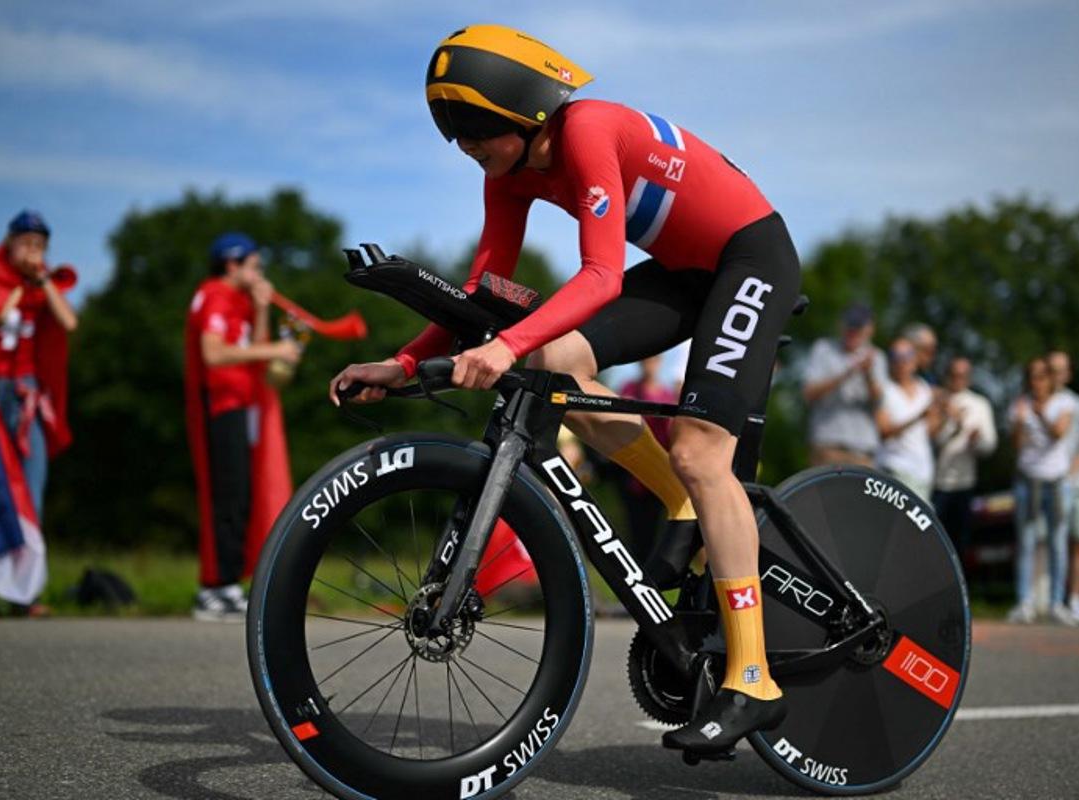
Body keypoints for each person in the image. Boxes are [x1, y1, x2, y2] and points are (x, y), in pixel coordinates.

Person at [330, 24, 800, 752]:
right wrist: (400, 363)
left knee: (704, 454)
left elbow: (603, 275)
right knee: (552, 363)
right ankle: (676, 498)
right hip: (683, 273)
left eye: (476, 126)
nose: (464, 145)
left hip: (749, 254)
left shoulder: (586, 131)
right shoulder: (507, 175)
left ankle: (753, 677)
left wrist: (506, 343)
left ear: (525, 109)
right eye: (452, 130)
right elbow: (483, 291)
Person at [184, 233, 300, 621]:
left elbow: (257, 346)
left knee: (243, 495)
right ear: (232, 265)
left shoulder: (239, 300)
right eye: (253, 265)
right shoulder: (214, 294)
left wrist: (262, 308)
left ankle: (230, 583)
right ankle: (214, 587)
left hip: (244, 405)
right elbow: (213, 353)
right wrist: (275, 351)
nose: (260, 272)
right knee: (228, 496)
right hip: (222, 406)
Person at [0, 210, 76, 615]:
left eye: (40, 246)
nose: (33, 252)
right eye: (26, 243)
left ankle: (24, 593)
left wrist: (43, 280)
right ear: (9, 242)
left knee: (32, 488)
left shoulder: (41, 286)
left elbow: (68, 321)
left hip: (26, 395)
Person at [1007, 356, 1073, 625]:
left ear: (1049, 379)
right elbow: (1016, 444)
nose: (1037, 382)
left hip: (1055, 480)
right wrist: (1021, 422)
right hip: (1027, 480)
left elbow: (1059, 432)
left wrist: (1039, 413)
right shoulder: (1018, 405)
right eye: (1032, 376)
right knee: (1026, 542)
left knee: (1058, 541)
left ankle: (1058, 603)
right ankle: (1025, 602)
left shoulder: (1064, 402)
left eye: (1042, 376)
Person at [802, 302, 886, 466]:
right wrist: (847, 373)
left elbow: (879, 402)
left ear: (870, 329)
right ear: (841, 324)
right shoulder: (823, 348)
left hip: (863, 451)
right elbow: (808, 393)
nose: (853, 331)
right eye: (850, 325)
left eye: (859, 327)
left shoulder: (878, 357)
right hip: (827, 447)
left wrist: (868, 374)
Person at [1048, 350, 1079, 624]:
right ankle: (1051, 601)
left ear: (1068, 373)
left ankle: (1076, 600)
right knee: (1050, 542)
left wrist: (1071, 473)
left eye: (1060, 369)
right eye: (1051, 369)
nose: (1055, 375)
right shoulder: (1041, 403)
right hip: (1048, 483)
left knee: (1076, 542)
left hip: (1073, 484)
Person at [931, 357, 997, 563]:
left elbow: (989, 446)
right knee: (932, 540)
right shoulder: (936, 400)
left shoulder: (979, 404)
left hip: (964, 482)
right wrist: (951, 422)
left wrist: (976, 441)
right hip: (936, 482)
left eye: (963, 375)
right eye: (954, 374)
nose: (958, 379)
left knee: (960, 542)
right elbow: (930, 442)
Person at [617, 355, 678, 560]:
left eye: (653, 361)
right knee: (635, 527)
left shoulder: (667, 395)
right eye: (646, 361)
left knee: (654, 527)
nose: (649, 365)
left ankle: (650, 571)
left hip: (658, 469)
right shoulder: (629, 390)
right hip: (632, 469)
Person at [874, 337, 938, 500]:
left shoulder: (924, 389)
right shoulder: (885, 391)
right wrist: (918, 417)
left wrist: (945, 416)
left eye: (907, 356)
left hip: (923, 473)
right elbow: (884, 431)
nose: (902, 362)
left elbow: (930, 432)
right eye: (896, 356)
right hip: (894, 469)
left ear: (915, 359)